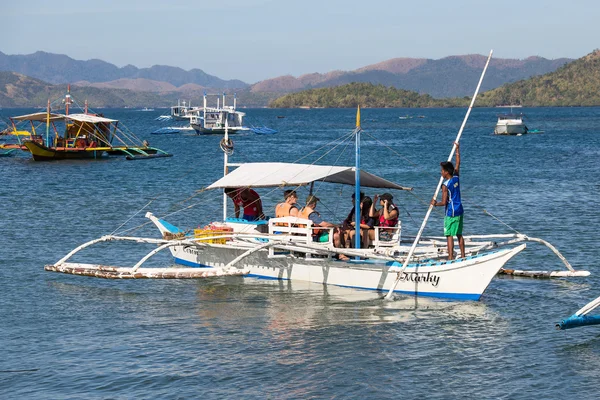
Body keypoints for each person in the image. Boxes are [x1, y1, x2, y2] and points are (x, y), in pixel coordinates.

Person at [431, 142, 465, 260]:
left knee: (449, 235)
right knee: (459, 234)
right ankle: (463, 255)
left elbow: (444, 202)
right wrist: (457, 149)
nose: (441, 172)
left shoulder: (445, 185)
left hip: (451, 212)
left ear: (446, 172)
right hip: (459, 209)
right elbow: (458, 163)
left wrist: (435, 204)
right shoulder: (456, 177)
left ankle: (450, 257)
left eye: (442, 170)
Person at [299, 195, 348, 259]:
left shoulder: (301, 210)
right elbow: (325, 224)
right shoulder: (312, 214)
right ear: (313, 204)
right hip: (313, 237)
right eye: (316, 203)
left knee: (329, 231)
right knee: (336, 235)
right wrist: (336, 226)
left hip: (302, 235)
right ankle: (339, 254)